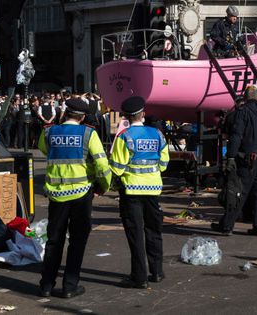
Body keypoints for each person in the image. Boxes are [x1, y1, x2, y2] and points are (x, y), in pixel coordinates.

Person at [38, 98, 112, 298]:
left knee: (54, 240)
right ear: (82, 117)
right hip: (81, 194)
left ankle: (46, 284)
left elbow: (45, 149)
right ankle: (70, 286)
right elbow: (102, 165)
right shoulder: (89, 134)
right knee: (77, 241)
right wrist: (103, 186)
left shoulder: (49, 132)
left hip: (56, 195)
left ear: (65, 113)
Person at [110, 96, 168, 289]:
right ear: (143, 113)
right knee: (154, 230)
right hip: (153, 189)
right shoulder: (157, 134)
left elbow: (117, 167)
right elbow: (164, 163)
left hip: (131, 190)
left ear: (126, 116)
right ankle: (157, 271)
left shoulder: (124, 136)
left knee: (136, 233)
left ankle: (139, 277)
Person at [213, 85, 257, 236]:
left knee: (239, 191)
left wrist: (230, 156)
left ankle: (227, 225)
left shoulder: (243, 113)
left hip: (247, 157)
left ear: (245, 97)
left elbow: (236, 135)